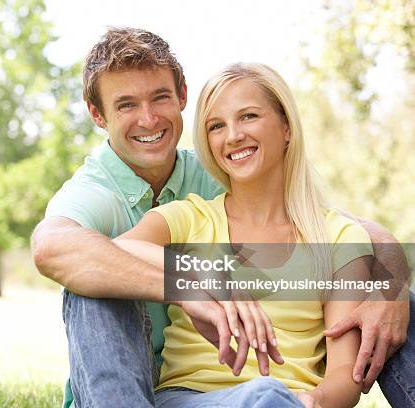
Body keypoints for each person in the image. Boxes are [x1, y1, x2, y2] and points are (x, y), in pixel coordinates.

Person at [31, 28, 413, 408]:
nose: (147, 118)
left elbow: (359, 234)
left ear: (286, 127)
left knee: (397, 299)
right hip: (157, 392)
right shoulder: (172, 211)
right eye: (127, 104)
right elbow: (68, 248)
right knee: (95, 280)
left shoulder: (320, 227)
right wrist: (199, 277)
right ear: (98, 114)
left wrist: (392, 295)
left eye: (159, 97)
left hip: (282, 399)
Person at [114, 62, 379, 407]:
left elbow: (344, 374)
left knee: (269, 397)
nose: (233, 135)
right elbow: (116, 253)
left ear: (286, 127)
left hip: (290, 401)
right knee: (263, 394)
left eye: (249, 116)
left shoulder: (339, 237)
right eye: (216, 126)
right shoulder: (187, 218)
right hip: (189, 400)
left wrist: (314, 401)